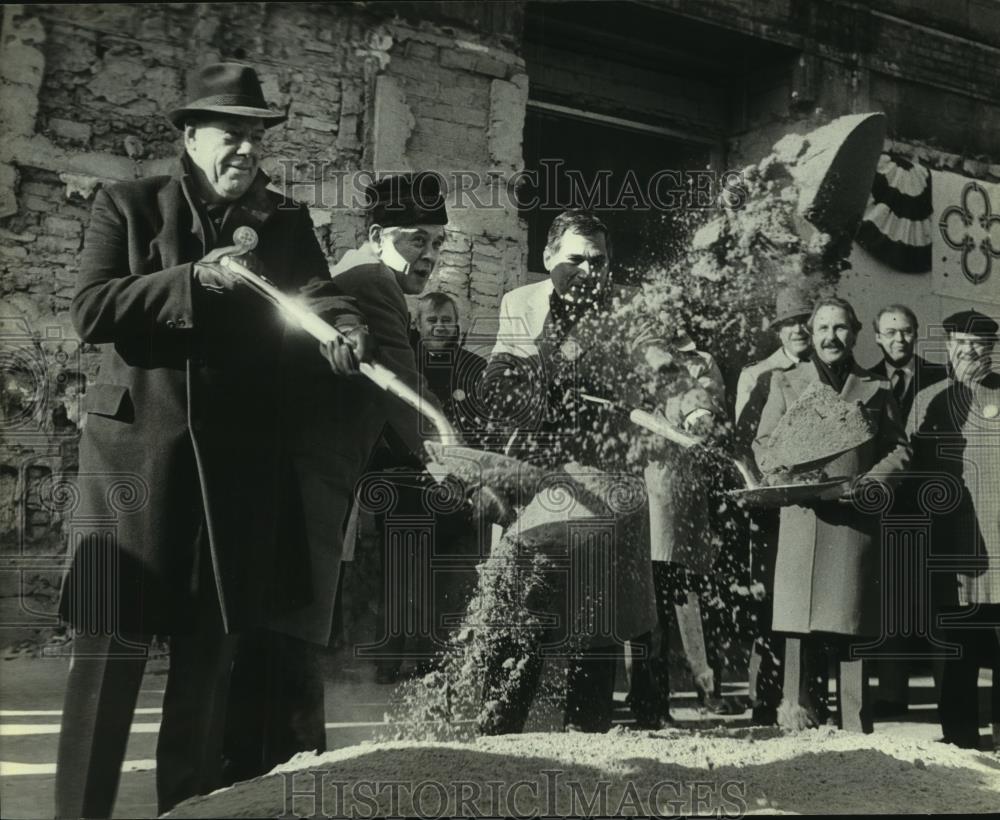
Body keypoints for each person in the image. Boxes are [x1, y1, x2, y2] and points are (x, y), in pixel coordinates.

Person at [54, 63, 366, 818]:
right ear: (190, 137)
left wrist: (343, 326)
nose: (246, 152)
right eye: (232, 136)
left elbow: (316, 296)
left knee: (206, 673)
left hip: (234, 478)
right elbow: (92, 311)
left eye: (256, 139)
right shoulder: (128, 206)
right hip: (133, 469)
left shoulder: (284, 223)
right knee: (109, 663)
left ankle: (186, 811)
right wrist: (192, 281)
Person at [222, 173, 449, 778]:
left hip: (315, 480)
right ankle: (289, 770)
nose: (429, 255)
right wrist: (473, 468)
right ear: (377, 236)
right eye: (416, 240)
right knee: (297, 625)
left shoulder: (365, 278)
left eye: (438, 242)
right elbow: (408, 398)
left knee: (285, 627)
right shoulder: (369, 284)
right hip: (307, 484)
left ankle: (261, 764)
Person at [478, 210, 722, 734]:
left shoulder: (629, 308)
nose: (588, 271)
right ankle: (495, 737)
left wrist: (690, 404)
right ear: (548, 258)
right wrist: (511, 386)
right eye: (575, 260)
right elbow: (503, 366)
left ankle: (585, 738)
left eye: (599, 261)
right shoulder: (519, 302)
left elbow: (660, 361)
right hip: (536, 473)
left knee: (595, 619)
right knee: (520, 611)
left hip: (605, 478)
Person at [753, 297, 911, 733]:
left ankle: (857, 732)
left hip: (854, 523)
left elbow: (899, 448)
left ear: (856, 333)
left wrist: (871, 484)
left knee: (851, 634)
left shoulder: (876, 388)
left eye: (840, 328)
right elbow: (764, 444)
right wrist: (784, 469)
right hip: (803, 521)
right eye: (822, 328)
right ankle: (796, 726)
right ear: (810, 333)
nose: (830, 337)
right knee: (798, 635)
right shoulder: (785, 383)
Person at [907, 309, 999, 749]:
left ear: (992, 351)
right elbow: (911, 471)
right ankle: (959, 736)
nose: (967, 354)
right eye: (959, 346)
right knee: (955, 648)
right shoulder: (929, 400)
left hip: (998, 542)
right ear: (947, 349)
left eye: (977, 347)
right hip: (952, 547)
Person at [865, 303, 948, 718]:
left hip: (931, 510)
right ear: (877, 337)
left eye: (907, 332)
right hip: (883, 511)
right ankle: (893, 696)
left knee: (934, 606)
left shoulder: (940, 379)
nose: (899, 340)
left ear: (916, 334)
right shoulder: (864, 382)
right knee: (889, 604)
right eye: (890, 333)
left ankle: (947, 699)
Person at [734, 286, 813, 724]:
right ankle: (765, 698)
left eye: (805, 320)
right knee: (769, 599)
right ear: (779, 330)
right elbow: (743, 440)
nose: (799, 329)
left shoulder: (825, 370)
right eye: (790, 323)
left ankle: (807, 696)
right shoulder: (759, 375)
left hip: (814, 502)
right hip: (771, 501)